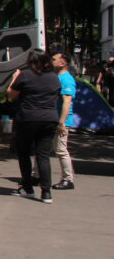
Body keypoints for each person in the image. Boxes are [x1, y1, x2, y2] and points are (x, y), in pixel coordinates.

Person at [7, 49, 60, 203]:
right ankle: (46, 192)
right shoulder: (54, 78)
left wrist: (14, 79)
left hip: (28, 118)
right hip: (49, 118)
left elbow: (11, 95)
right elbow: (56, 98)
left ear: (30, 61)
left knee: (24, 153)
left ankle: (28, 187)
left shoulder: (25, 75)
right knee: (43, 155)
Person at [51, 50, 77, 190]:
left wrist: (61, 123)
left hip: (61, 121)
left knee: (61, 150)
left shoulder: (66, 79)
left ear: (63, 63)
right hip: (53, 119)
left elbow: (67, 102)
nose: (52, 61)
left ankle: (68, 179)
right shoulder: (58, 77)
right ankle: (36, 175)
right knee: (42, 148)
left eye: (54, 59)